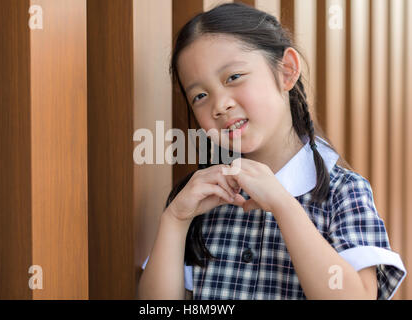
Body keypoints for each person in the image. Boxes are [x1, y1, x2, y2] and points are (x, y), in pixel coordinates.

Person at [137, 2, 406, 300]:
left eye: (234, 77)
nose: (219, 105)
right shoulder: (201, 201)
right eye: (200, 95)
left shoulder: (343, 192)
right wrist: (175, 220)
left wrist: (282, 203)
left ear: (286, 71)